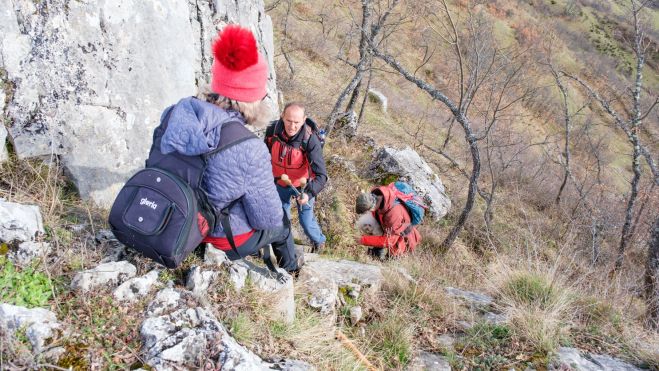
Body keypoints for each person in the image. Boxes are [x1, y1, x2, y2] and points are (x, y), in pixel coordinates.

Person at [154, 25, 301, 273]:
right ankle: (292, 271)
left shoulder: (174, 112)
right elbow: (266, 218)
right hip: (212, 236)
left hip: (166, 214)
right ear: (253, 100)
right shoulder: (249, 148)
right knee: (281, 223)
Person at [265, 103, 328, 253]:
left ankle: (319, 241)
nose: (292, 126)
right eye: (288, 121)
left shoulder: (310, 140)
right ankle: (284, 247)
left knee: (306, 221)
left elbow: (321, 175)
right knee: (282, 219)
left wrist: (308, 193)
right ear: (282, 117)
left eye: (297, 122)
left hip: (303, 186)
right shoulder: (272, 131)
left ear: (304, 120)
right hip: (280, 183)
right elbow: (263, 155)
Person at [355, 186, 421, 258]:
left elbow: (389, 241)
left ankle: (385, 260)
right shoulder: (377, 196)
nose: (368, 213)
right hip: (389, 228)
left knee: (392, 259)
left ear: (372, 207)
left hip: (403, 239)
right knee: (369, 224)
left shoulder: (394, 214)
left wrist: (362, 240)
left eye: (368, 211)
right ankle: (375, 255)